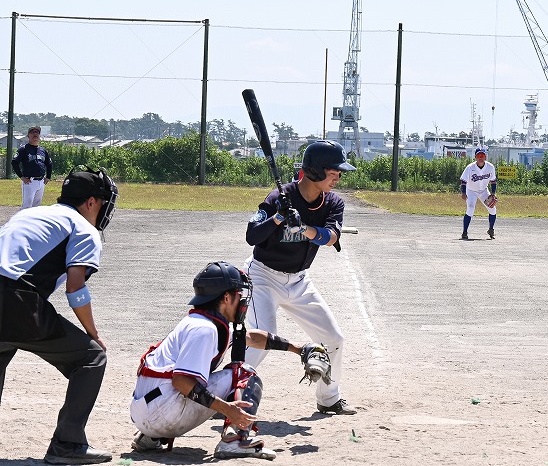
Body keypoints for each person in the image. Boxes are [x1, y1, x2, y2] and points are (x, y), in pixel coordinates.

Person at [130, 261, 315, 460]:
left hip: (147, 412)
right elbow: (181, 381)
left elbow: (251, 338)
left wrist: (298, 348)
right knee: (244, 373)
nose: (242, 300)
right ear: (226, 298)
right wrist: (227, 409)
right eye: (239, 294)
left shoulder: (201, 322)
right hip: (163, 412)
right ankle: (235, 441)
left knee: (216, 377)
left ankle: (150, 437)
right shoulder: (204, 330)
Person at [0, 168, 118, 465]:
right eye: (104, 202)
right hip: (15, 300)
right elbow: (75, 287)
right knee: (91, 357)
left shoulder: (28, 214)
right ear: (91, 202)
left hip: (10, 295)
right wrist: (93, 334)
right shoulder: (83, 228)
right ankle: (67, 444)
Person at [243, 139, 357, 415]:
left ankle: (329, 399)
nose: (338, 179)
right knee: (263, 339)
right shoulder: (278, 198)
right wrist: (278, 218)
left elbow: (331, 237)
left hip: (298, 281)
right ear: (316, 171)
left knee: (333, 338)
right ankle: (226, 391)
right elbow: (252, 236)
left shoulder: (333, 202)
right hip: (262, 277)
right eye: (334, 173)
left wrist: (303, 228)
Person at [11, 125, 53, 209]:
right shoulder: (23, 149)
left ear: (39, 136)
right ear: (28, 136)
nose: (35, 134)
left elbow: (49, 163)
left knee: (36, 207)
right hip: (29, 181)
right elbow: (14, 162)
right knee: (26, 206)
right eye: (32, 132)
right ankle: (20, 218)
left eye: (37, 132)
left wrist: (48, 177)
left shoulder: (43, 150)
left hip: (41, 182)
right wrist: (21, 177)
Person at [460, 147, 497, 240]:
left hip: (483, 190)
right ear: (475, 157)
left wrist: (493, 193)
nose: (480, 157)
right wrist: (463, 192)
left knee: (492, 209)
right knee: (470, 209)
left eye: (482, 155)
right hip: (471, 191)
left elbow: (493, 181)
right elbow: (463, 181)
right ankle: (464, 232)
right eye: (479, 155)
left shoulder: (490, 167)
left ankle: (491, 229)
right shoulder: (470, 167)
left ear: (485, 157)